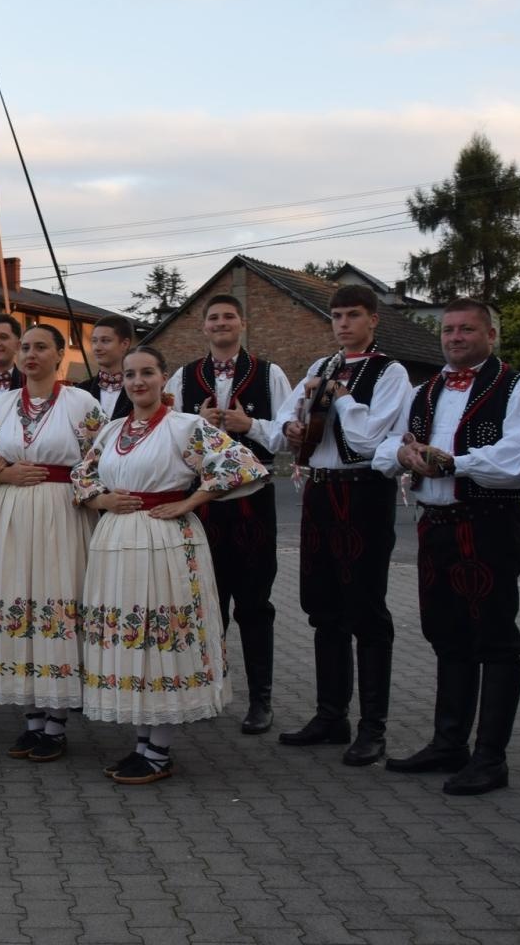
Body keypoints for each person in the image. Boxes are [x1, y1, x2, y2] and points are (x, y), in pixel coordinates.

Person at [374, 298, 520, 795]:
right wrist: (404, 452)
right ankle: (450, 743)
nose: (454, 338)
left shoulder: (517, 387)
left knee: (493, 636)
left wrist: (455, 463)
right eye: (448, 330)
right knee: (446, 633)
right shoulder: (424, 389)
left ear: (490, 335)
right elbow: (384, 446)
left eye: (466, 330)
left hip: (489, 521)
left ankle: (492, 758)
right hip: (437, 524)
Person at [74, 346, 268, 784]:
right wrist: (102, 499)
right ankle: (142, 743)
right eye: (130, 375)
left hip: (164, 540)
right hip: (117, 539)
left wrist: (190, 500)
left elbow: (243, 466)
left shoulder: (186, 427)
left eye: (147, 373)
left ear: (164, 379)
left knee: (158, 638)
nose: (138, 382)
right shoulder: (112, 431)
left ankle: (158, 750)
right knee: (131, 638)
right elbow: (82, 476)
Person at [0, 323, 107, 762]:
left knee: (55, 602)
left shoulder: (82, 403)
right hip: (11, 515)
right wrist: (3, 473)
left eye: (41, 347)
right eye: (25, 348)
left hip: (63, 512)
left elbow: (105, 461)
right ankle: (32, 720)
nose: (30, 354)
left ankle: (56, 722)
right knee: (19, 601)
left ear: (60, 355)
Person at [274, 285, 412, 767]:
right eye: (336, 316)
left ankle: (373, 728)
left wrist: (341, 396)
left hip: (363, 492)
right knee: (323, 607)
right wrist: (292, 426)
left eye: (353, 315)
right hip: (320, 489)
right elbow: (281, 425)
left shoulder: (390, 371)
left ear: (373, 320)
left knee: (366, 610)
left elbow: (370, 435)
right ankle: (331, 716)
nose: (343, 323)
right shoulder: (320, 367)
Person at [164, 294, 291, 735]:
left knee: (255, 604)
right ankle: (208, 691)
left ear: (242, 324)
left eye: (228, 317)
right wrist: (195, 424)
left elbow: (286, 437)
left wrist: (249, 426)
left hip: (253, 503)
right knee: (206, 602)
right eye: (213, 318)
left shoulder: (270, 372)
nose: (221, 324)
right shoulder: (184, 376)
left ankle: (261, 701)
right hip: (204, 505)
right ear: (203, 328)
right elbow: (170, 436)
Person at [77, 314, 135, 420]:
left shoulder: (139, 390)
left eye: (105, 340)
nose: (97, 348)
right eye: (94, 341)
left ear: (125, 344)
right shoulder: (81, 391)